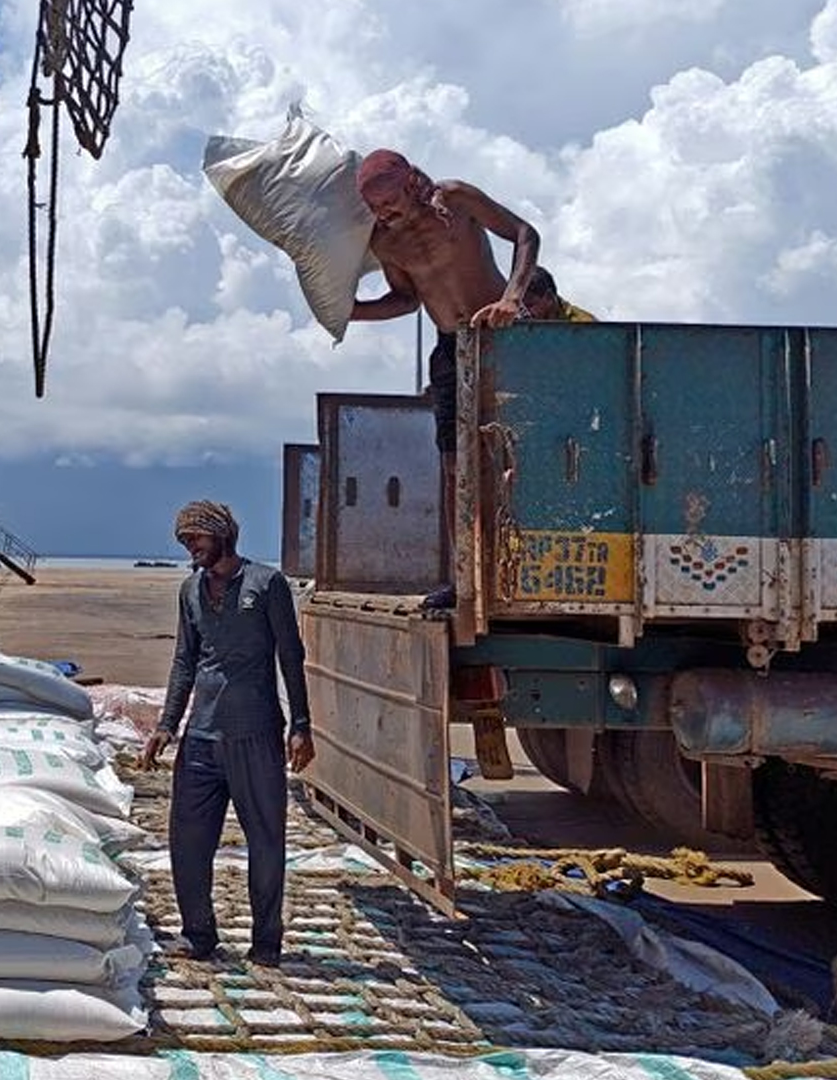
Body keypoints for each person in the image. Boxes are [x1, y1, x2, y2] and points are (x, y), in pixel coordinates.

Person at [349, 149, 540, 609]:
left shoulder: (455, 199)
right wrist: (354, 312)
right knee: (455, 468)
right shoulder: (385, 242)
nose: (384, 213)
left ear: (412, 182)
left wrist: (513, 298)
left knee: (522, 457)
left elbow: (525, 234)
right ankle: (464, 579)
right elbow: (405, 300)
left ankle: (531, 568)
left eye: (389, 202)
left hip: (505, 338)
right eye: (375, 208)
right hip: (450, 348)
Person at [141, 500, 315, 968]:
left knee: (266, 839)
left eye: (195, 538)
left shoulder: (267, 584)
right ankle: (199, 934)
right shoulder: (189, 591)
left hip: (255, 733)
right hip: (201, 737)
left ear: (222, 535)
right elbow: (184, 662)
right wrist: (165, 725)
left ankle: (266, 943)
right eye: (183, 541)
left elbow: (290, 656)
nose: (190, 547)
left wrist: (301, 724)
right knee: (188, 840)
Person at [521, 266, 596, 322]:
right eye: (520, 306)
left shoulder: (584, 325)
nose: (524, 312)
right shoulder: (517, 321)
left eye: (529, 305)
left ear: (549, 297)